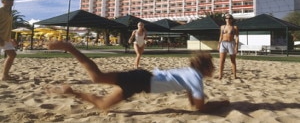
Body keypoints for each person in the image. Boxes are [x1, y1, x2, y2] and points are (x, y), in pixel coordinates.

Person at [46, 41, 230, 112]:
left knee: (103, 105)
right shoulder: (196, 78)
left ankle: (71, 92)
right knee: (97, 77)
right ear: (205, 68)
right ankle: (70, 47)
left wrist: (200, 98)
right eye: (212, 66)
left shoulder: (190, 75)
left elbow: (193, 102)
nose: (214, 69)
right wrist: (221, 103)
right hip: (141, 81)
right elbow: (199, 107)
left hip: (141, 80)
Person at [0, 0, 17, 81]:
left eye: (12, 0)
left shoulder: (9, 12)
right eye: (9, 0)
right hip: (0, 37)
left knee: (12, 54)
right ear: (3, 1)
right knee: (12, 54)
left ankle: (5, 75)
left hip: (5, 38)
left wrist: (11, 38)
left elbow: (7, 27)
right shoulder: (0, 11)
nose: (11, 1)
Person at [218, 13, 239, 79]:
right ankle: (220, 75)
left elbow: (237, 37)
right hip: (223, 43)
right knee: (221, 60)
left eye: (229, 18)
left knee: (233, 60)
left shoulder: (234, 27)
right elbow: (221, 36)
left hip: (231, 43)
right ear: (225, 19)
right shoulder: (222, 27)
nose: (228, 19)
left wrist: (236, 46)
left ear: (232, 19)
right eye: (226, 18)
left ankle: (234, 75)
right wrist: (219, 44)